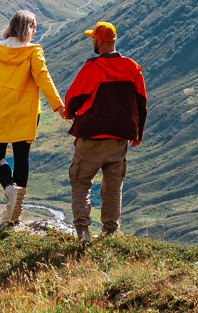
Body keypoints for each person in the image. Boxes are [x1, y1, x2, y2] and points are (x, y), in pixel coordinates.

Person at [0, 8, 64, 226]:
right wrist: (58, 105)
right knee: (21, 158)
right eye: (34, 27)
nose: (36, 31)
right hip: (25, 112)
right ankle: (14, 212)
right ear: (28, 29)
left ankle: (9, 190)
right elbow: (44, 79)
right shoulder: (33, 52)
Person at [60, 20, 147, 246]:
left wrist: (69, 113)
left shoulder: (94, 68)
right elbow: (141, 103)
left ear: (99, 41)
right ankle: (109, 233)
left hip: (91, 138)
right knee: (113, 187)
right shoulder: (133, 69)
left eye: (93, 39)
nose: (93, 42)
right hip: (119, 139)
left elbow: (74, 98)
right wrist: (138, 133)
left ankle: (82, 230)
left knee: (80, 182)